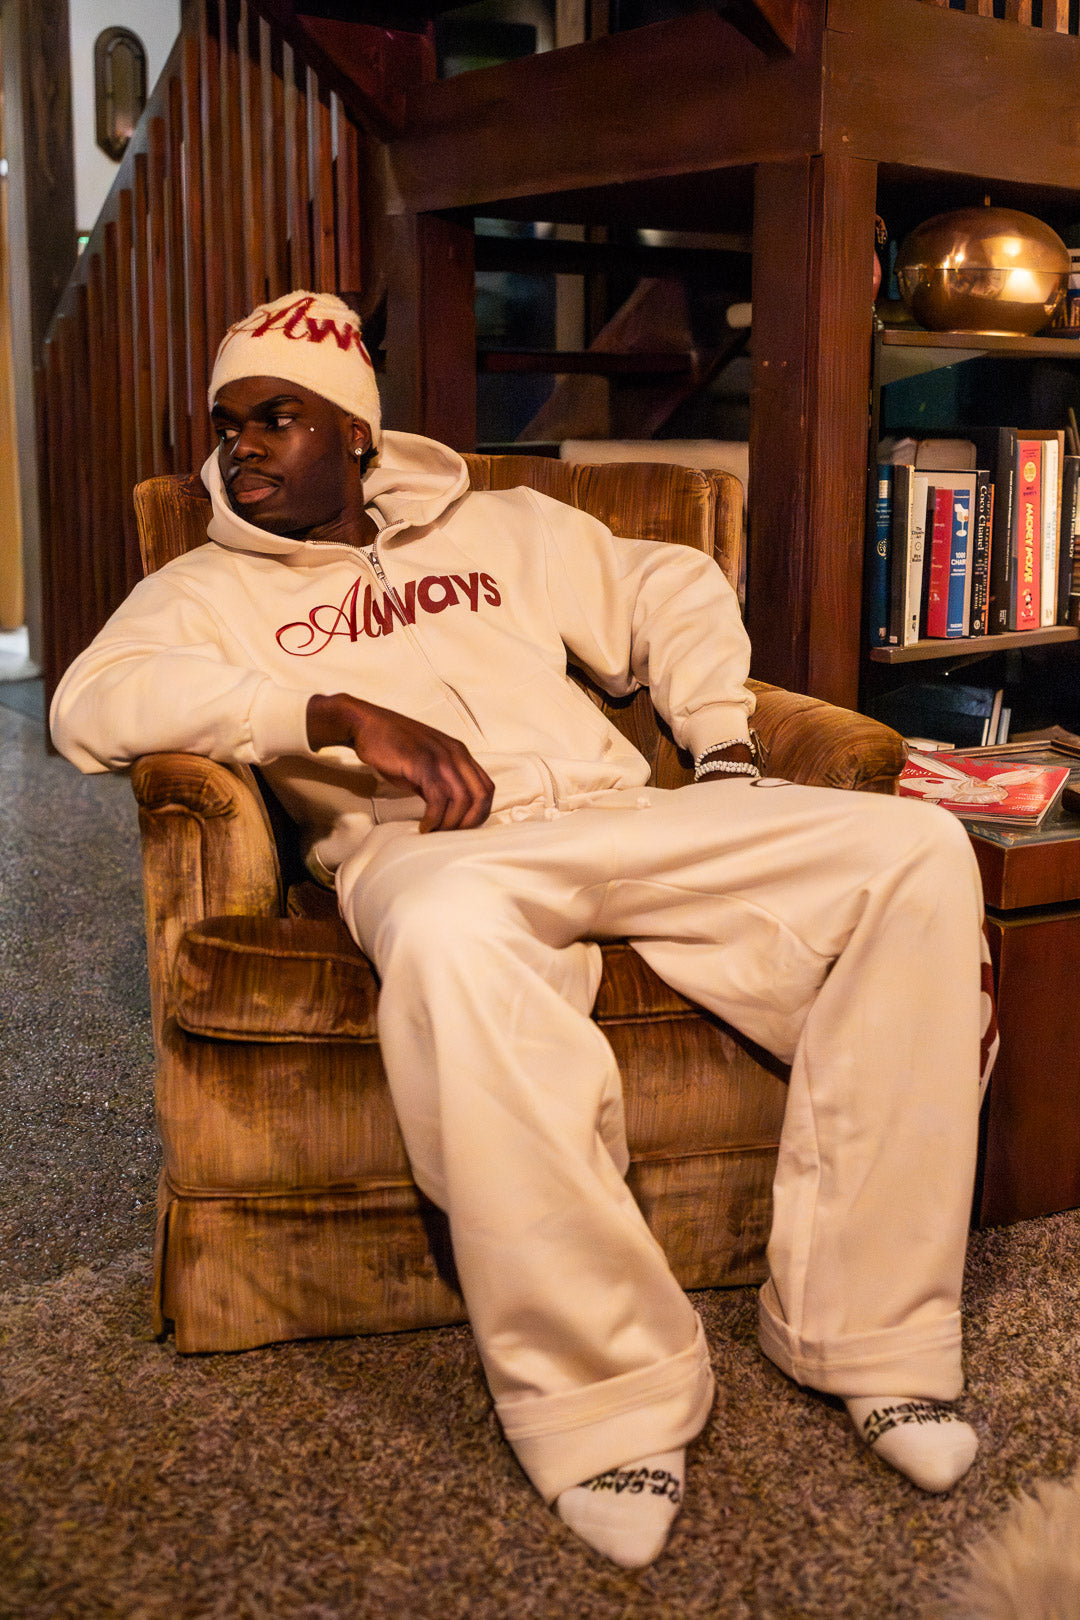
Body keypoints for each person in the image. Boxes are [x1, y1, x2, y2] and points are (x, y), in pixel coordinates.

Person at [51, 290, 994, 1570]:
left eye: (277, 417)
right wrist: (326, 709)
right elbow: (92, 704)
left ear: (357, 435)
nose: (242, 447)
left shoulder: (501, 526)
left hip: (618, 813)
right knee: (446, 941)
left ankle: (873, 1337)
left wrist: (721, 745)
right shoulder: (201, 588)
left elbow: (668, 582)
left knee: (916, 853)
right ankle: (608, 1398)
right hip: (426, 854)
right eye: (228, 425)